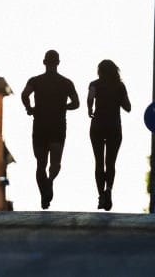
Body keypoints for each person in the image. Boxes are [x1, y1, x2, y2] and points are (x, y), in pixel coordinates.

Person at [21, 50, 80, 209]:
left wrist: (29, 108)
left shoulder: (35, 81)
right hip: (58, 126)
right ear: (58, 63)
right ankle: (50, 183)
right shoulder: (66, 83)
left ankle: (44, 196)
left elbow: (24, 94)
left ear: (44, 62)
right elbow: (76, 103)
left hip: (40, 125)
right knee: (55, 162)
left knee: (40, 164)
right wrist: (63, 107)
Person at [87, 59, 131, 211]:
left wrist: (89, 109)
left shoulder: (95, 84)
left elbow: (90, 97)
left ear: (99, 71)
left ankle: (101, 196)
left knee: (99, 162)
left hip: (97, 126)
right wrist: (117, 98)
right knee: (110, 162)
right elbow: (128, 107)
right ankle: (109, 189)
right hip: (114, 127)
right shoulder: (119, 86)